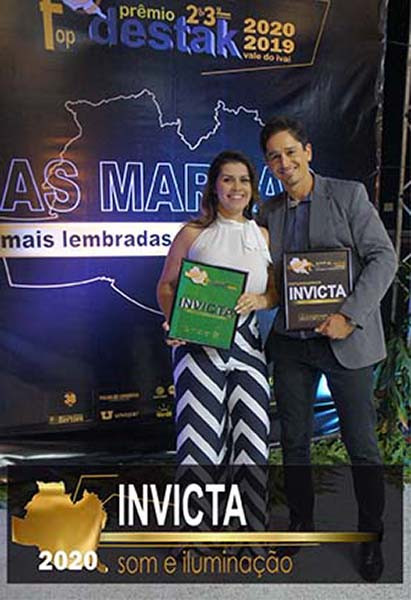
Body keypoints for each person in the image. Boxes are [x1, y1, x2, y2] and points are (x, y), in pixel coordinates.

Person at [257, 116, 397, 582]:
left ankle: (370, 535)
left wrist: (350, 315)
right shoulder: (269, 213)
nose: (284, 162)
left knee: (362, 446)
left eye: (290, 152)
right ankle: (301, 523)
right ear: (268, 165)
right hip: (292, 346)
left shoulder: (349, 195)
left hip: (345, 341)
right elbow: (264, 277)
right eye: (274, 157)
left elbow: (383, 257)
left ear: (308, 151)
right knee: (294, 442)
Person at [157, 150, 277, 467]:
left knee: (253, 448)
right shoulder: (192, 233)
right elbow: (166, 285)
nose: (237, 187)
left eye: (244, 180)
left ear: (252, 187)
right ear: (214, 186)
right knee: (199, 451)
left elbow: (275, 291)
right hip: (198, 347)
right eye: (228, 180)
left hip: (249, 348)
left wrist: (261, 300)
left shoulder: (263, 235)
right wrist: (174, 321)